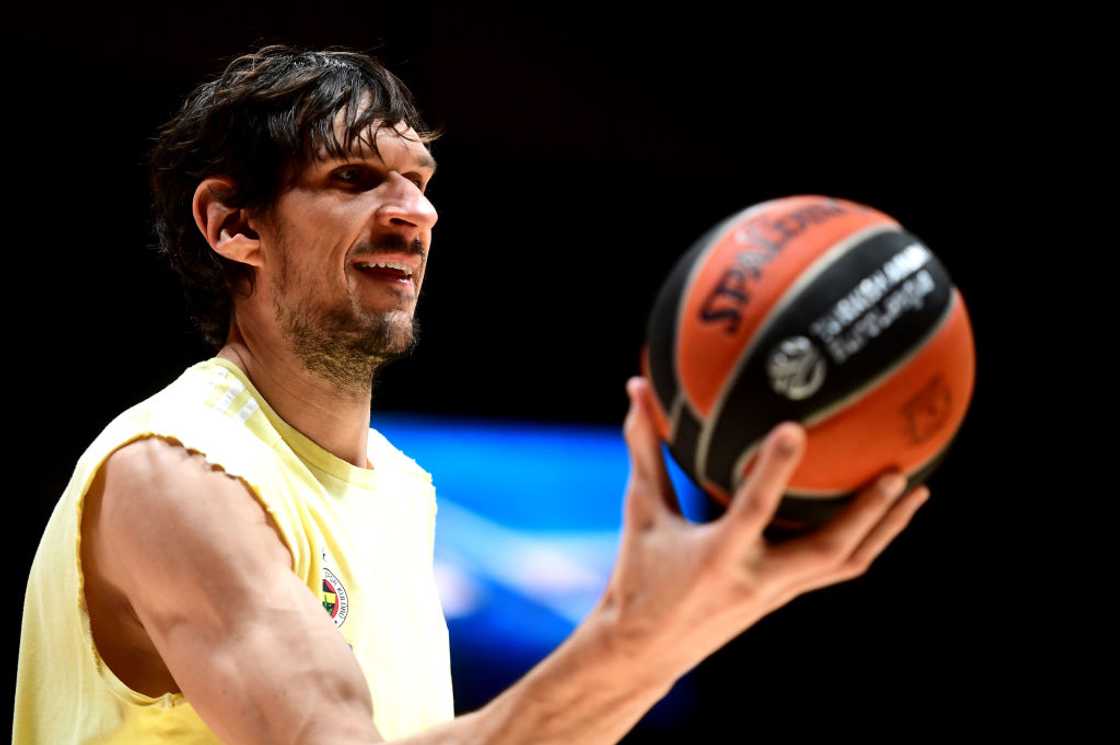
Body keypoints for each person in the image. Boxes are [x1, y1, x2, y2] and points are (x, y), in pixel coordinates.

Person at [13, 45, 931, 745]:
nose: (415, 212)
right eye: (354, 178)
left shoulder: (404, 487)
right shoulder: (176, 474)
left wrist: (688, 622)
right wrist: (630, 635)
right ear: (234, 224)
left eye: (419, 181)